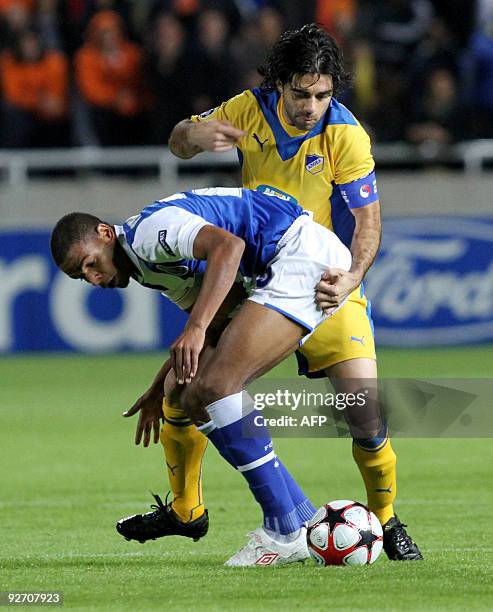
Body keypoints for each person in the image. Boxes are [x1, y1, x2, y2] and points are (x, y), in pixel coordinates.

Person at [163, 23, 422, 561]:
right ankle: (187, 510)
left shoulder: (346, 135)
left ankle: (387, 519)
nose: (311, 106)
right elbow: (179, 141)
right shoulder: (246, 109)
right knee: (183, 387)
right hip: (256, 278)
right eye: (301, 93)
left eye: (323, 94)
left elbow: (368, 223)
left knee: (366, 414)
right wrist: (195, 134)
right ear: (279, 84)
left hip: (324, 282)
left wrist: (352, 278)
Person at [50, 186, 353, 566]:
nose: (93, 279)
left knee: (216, 388)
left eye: (91, 264)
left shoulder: (148, 233)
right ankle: (300, 516)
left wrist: (193, 327)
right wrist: (158, 386)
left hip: (298, 254)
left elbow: (228, 247)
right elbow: (219, 313)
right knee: (183, 391)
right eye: (82, 276)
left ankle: (284, 530)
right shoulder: (145, 267)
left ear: (105, 234)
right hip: (273, 271)